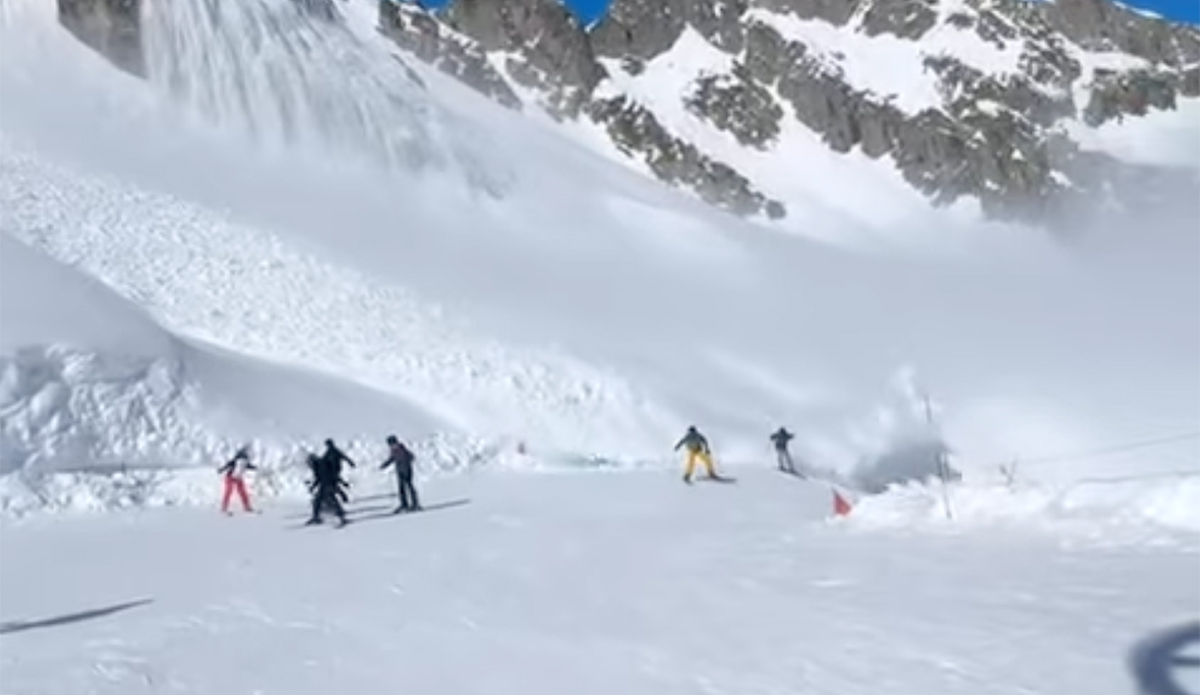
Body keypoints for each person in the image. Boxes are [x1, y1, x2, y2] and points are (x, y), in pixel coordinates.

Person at [380, 434, 421, 513]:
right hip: (400, 471)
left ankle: (415, 504)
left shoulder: (402, 449)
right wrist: (384, 465)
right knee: (401, 489)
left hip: (407, 471)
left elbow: (411, 457)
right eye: (390, 445)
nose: (391, 446)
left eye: (391, 444)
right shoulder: (394, 451)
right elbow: (392, 459)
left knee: (410, 487)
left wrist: (406, 464)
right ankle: (404, 504)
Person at [306, 452, 348, 526]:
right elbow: (319, 478)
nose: (309, 466)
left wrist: (340, 484)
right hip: (325, 485)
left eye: (309, 463)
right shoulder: (318, 466)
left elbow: (331, 475)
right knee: (318, 501)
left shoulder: (321, 465)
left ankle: (342, 518)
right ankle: (316, 517)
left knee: (332, 501)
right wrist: (313, 487)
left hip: (328, 484)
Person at [217, 445, 257, 515]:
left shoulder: (241, 462)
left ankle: (246, 506)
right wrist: (221, 469)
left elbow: (249, 466)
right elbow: (227, 465)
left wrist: (255, 468)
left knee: (241, 492)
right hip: (230, 477)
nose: (242, 461)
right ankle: (224, 507)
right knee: (230, 491)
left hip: (237, 478)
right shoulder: (236, 461)